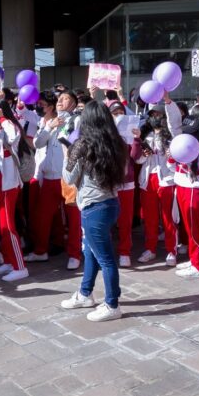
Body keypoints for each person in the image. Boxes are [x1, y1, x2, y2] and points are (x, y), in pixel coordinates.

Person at [60, 100, 127, 322]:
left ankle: (112, 304)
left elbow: (69, 178)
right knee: (90, 252)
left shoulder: (82, 145)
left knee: (105, 258)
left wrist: (66, 152)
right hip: (110, 204)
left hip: (93, 208)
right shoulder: (117, 143)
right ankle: (85, 293)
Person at [0, 100, 31, 281]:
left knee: (8, 226)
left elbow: (13, 136)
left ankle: (20, 267)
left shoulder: (9, 126)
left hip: (8, 183)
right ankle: (8, 260)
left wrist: (2, 117)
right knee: (1, 226)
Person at [135, 97, 181, 266]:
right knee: (150, 218)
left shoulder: (172, 133)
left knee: (168, 217)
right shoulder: (144, 135)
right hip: (148, 179)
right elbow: (138, 161)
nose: (155, 116)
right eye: (152, 113)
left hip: (167, 179)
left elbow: (175, 120)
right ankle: (150, 249)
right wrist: (142, 155)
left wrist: (168, 101)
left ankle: (171, 250)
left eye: (158, 113)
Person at [169, 116, 199, 278]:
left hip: (193, 190)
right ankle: (193, 258)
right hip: (181, 187)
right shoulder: (183, 144)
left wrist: (182, 158)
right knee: (188, 228)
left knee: (195, 229)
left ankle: (198, 266)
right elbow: (172, 167)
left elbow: (198, 171)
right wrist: (172, 156)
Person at [24, 91, 66, 264]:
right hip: (46, 175)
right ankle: (42, 249)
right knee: (45, 214)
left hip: (63, 176)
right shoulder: (42, 122)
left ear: (51, 106)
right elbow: (37, 143)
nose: (38, 108)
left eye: (42, 105)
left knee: (61, 215)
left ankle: (60, 244)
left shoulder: (65, 121)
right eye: (38, 105)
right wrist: (49, 127)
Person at [109, 100, 142, 267]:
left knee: (125, 220)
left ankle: (124, 252)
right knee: (106, 219)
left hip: (126, 183)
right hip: (108, 183)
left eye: (120, 113)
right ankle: (106, 253)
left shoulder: (131, 133)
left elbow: (135, 157)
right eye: (114, 114)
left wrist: (136, 139)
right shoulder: (105, 133)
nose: (118, 116)